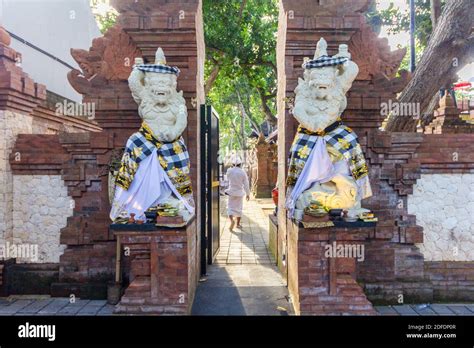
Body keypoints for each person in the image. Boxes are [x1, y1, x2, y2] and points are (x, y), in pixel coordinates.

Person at [225, 156, 250, 231]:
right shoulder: (242, 172)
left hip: (231, 192)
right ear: (240, 164)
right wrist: (248, 194)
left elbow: (227, 179)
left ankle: (232, 220)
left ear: (232, 164)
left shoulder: (229, 171)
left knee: (230, 207)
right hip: (239, 193)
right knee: (239, 208)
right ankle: (238, 224)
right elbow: (246, 184)